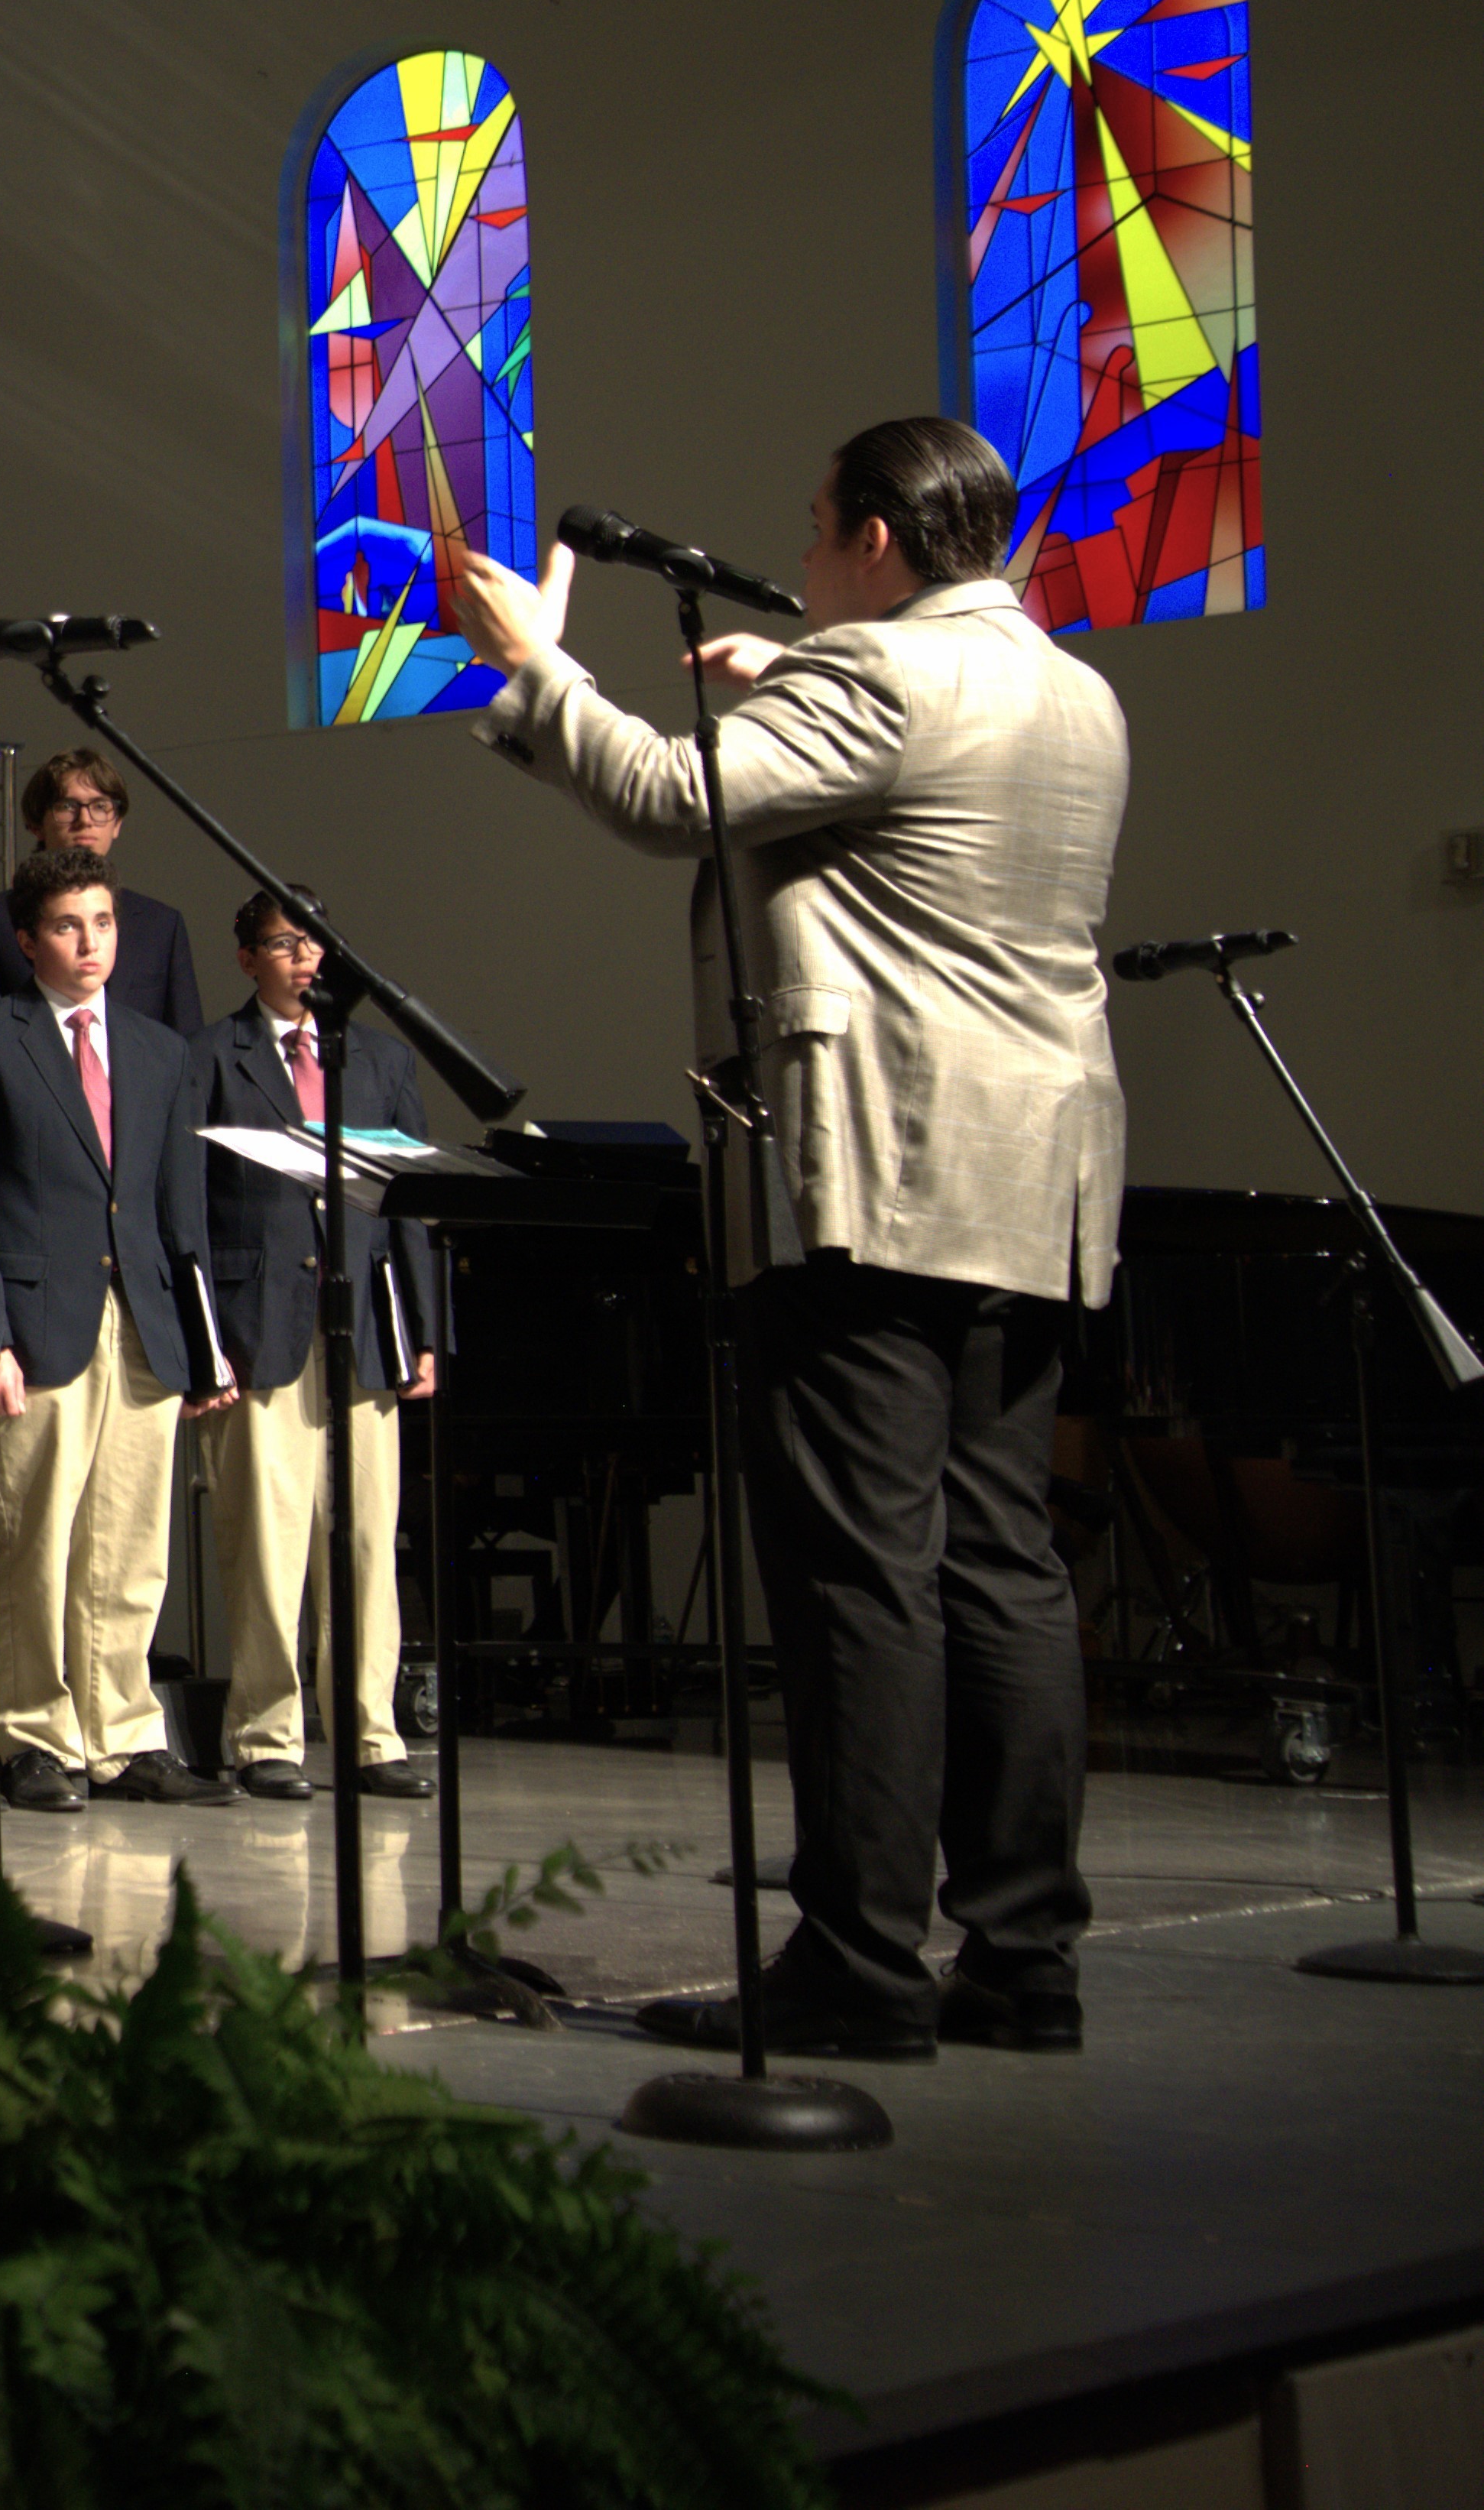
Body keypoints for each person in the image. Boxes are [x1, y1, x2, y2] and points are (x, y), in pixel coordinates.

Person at [446, 416, 1126, 2059]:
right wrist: (795, 678)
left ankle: (857, 1967)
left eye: (817, 528)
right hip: (1032, 1173)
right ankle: (1022, 1957)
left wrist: (538, 665)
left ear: (875, 538)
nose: (805, 555)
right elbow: (908, 810)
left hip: (877, 1170)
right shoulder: (1072, 690)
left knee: (858, 1576)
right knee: (1002, 1564)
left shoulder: (874, 676)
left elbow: (670, 797)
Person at [0, 845, 232, 1814]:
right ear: (27, 939)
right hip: (42, 1317)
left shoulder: (159, 1048)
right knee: (37, 1540)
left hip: (145, 1320)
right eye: (67, 925)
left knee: (131, 1545)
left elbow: (181, 1210)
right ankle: (35, 1735)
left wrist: (201, 1341)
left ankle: (123, 1734)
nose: (91, 942)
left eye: (103, 922)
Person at [192, 890, 441, 1803]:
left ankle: (371, 1731)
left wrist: (423, 1330)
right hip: (258, 1324)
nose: (304, 959)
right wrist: (203, 1339)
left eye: (317, 944)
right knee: (266, 1542)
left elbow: (411, 1203)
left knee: (368, 1537)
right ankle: (266, 1734)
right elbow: (191, 1202)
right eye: (283, 943)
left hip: (363, 1326)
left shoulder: (380, 1056)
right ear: (246, 957)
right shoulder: (210, 1054)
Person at [0, 751, 202, 1038]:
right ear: (36, 824)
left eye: (100, 806)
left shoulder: (161, 923)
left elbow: (186, 1040)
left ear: (117, 824)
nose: (85, 820)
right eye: (67, 806)